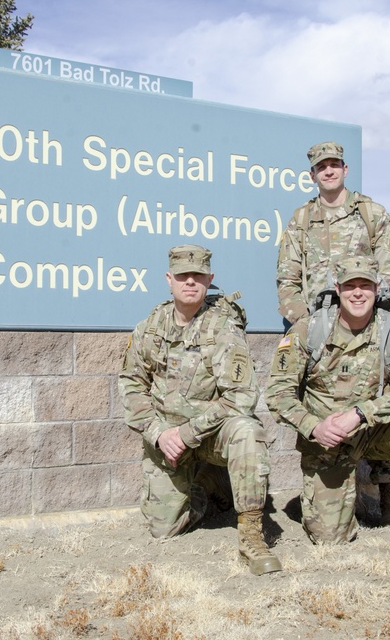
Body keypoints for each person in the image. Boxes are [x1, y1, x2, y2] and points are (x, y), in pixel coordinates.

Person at [265, 256, 390, 564]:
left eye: (365, 285)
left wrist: (360, 413)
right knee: (329, 537)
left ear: (376, 288)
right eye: (350, 286)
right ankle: (343, 500)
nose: (358, 293)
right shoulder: (309, 330)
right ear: (337, 288)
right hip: (328, 440)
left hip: (374, 431)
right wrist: (313, 426)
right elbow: (278, 393)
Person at [120, 244, 282, 575]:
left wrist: (187, 433)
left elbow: (241, 395)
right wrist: (159, 433)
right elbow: (131, 385)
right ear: (169, 279)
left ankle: (251, 536)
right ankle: (207, 488)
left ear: (210, 279)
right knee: (163, 528)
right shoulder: (150, 328)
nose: (190, 282)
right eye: (183, 276)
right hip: (167, 439)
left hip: (209, 434)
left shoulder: (223, 327)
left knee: (247, 430)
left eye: (197, 276)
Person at [276, 141, 390, 529]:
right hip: (320, 335)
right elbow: (287, 279)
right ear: (312, 175)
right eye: (321, 167)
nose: (328, 171)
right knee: (324, 412)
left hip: (366, 326)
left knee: (379, 399)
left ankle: (385, 487)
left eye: (334, 165)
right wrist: (305, 325)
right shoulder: (301, 219)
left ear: (345, 169)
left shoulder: (372, 213)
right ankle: (327, 488)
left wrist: (378, 323)